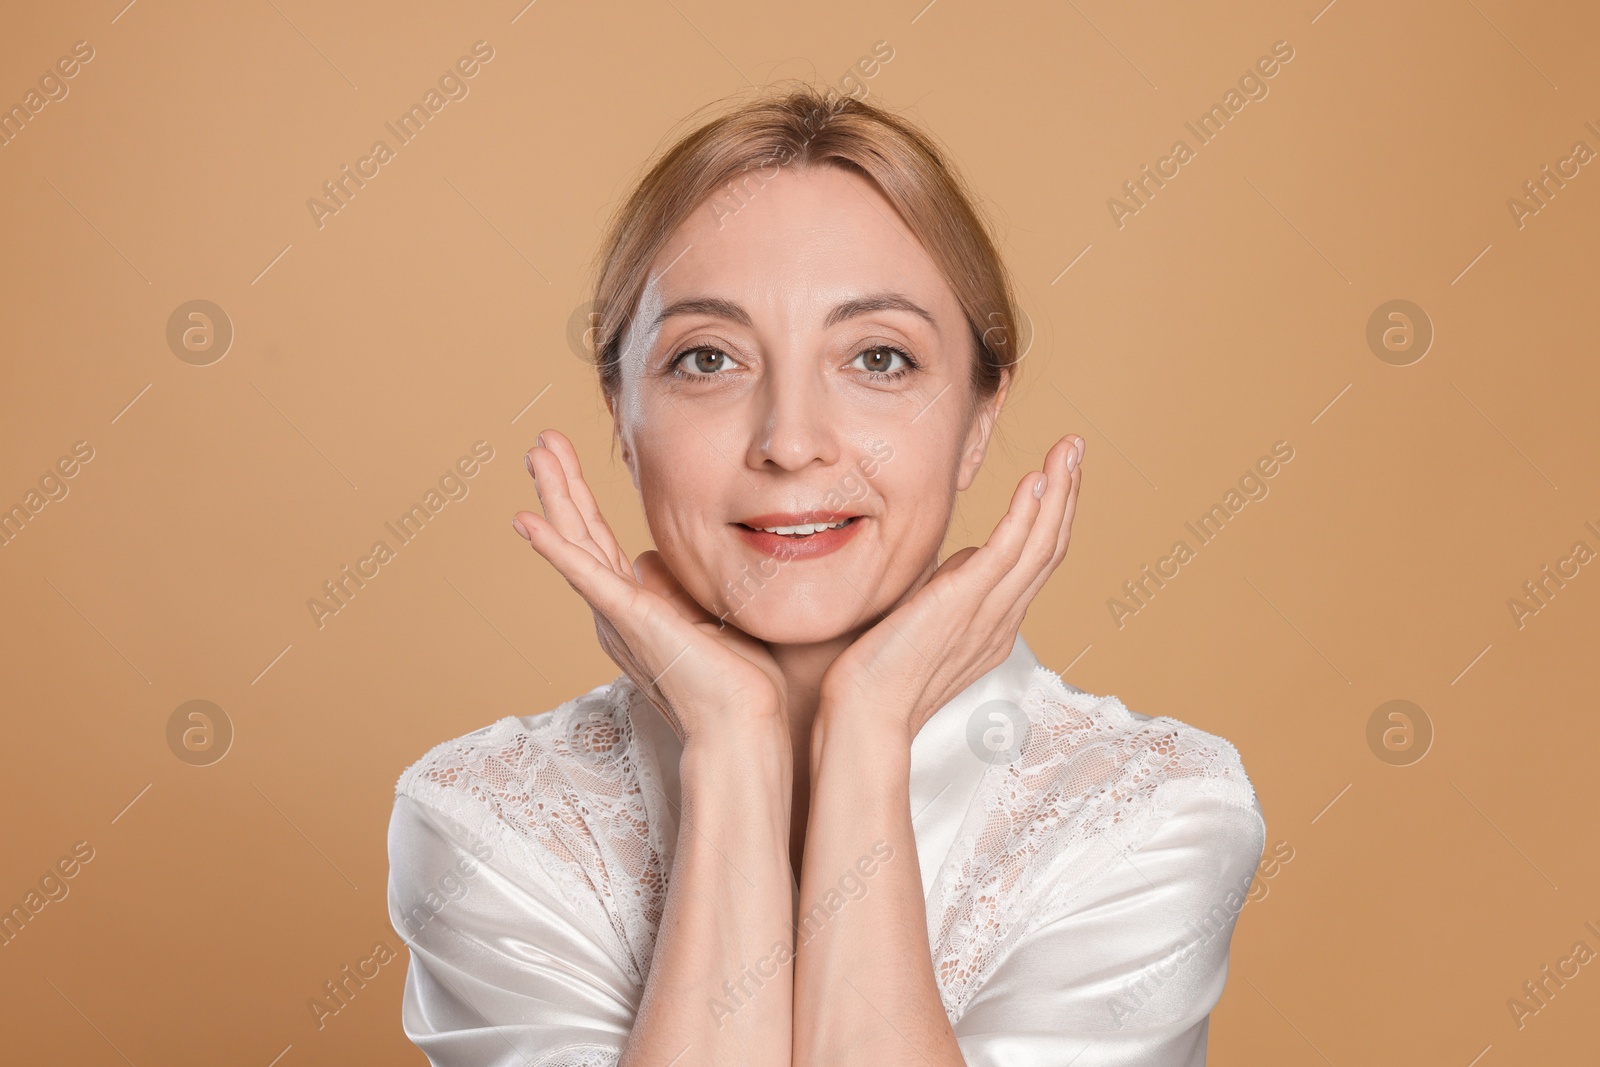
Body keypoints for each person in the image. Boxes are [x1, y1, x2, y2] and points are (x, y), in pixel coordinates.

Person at [386, 84, 1265, 1067]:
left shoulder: (1150, 819)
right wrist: (729, 745)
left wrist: (866, 729)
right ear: (620, 415)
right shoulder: (485, 824)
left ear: (979, 418)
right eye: (708, 358)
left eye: (878, 357)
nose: (791, 442)